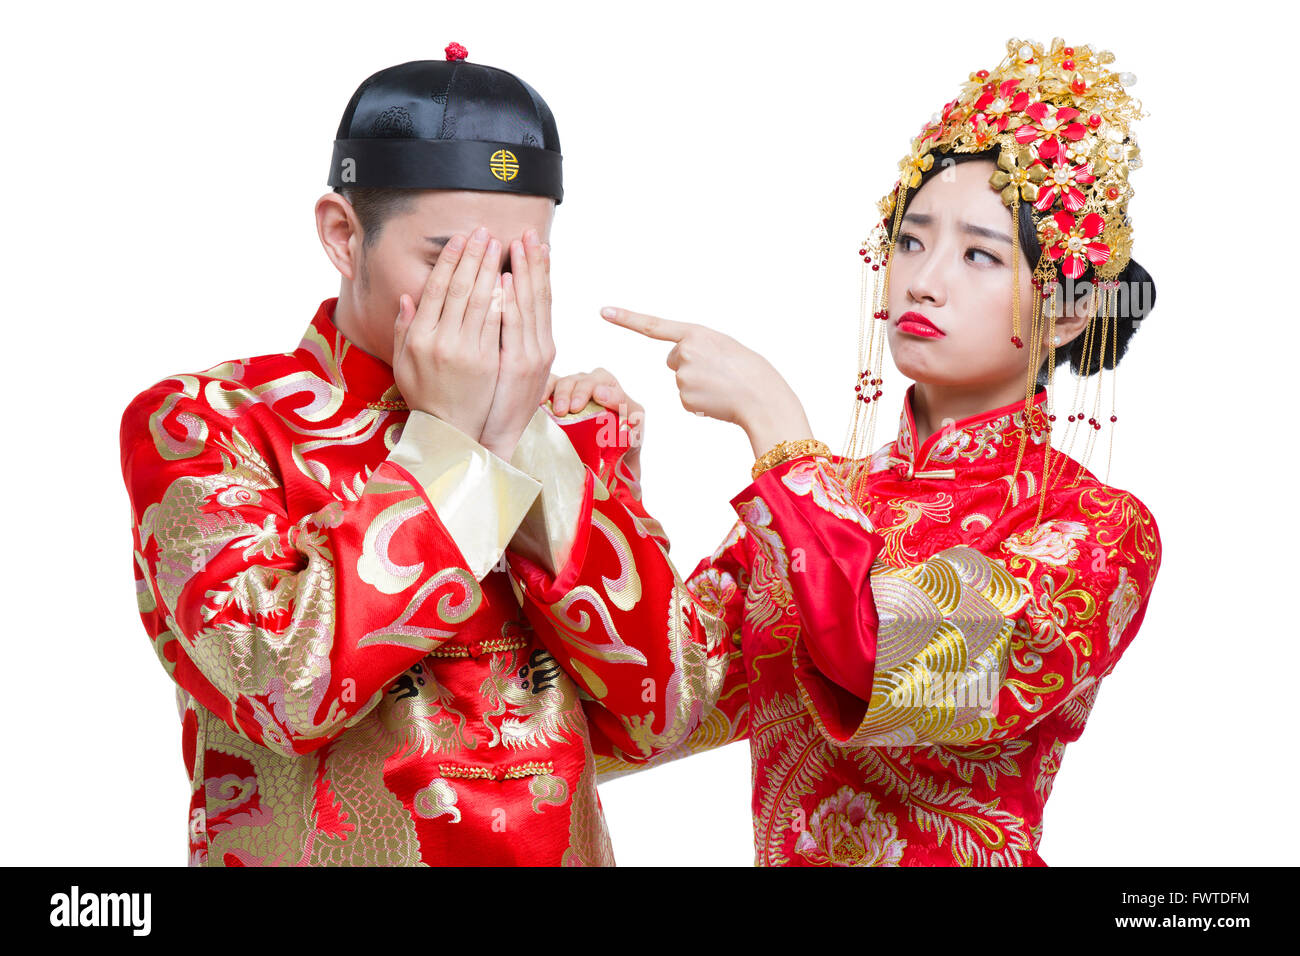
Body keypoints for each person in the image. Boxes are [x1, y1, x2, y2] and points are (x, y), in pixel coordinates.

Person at [555, 36, 1161, 865]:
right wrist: (591, 473)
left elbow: (891, 664)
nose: (922, 279)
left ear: (1063, 313)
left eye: (979, 254)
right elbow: (645, 710)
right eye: (911, 241)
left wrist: (775, 426)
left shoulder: (1094, 530)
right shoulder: (816, 497)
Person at [118, 44, 729, 867]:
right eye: (450, 263)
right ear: (343, 236)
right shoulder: (206, 424)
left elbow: (664, 711)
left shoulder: (572, 431)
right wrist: (448, 445)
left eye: (518, 267)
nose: (491, 303)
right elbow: (283, 691)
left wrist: (526, 441)